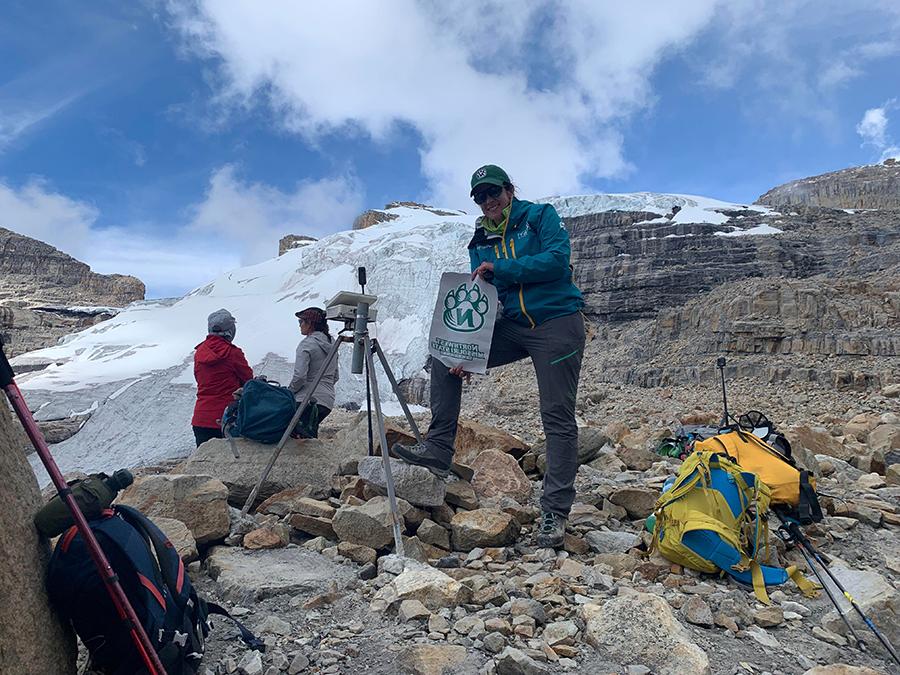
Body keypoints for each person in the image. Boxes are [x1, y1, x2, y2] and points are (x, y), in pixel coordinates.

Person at [394, 164, 586, 548]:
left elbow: (556, 261)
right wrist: (471, 349)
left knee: (556, 415)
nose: (488, 201)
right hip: (514, 326)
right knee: (444, 356)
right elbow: (482, 299)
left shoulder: (539, 217)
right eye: (480, 196)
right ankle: (438, 446)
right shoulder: (479, 238)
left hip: (557, 323)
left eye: (493, 192)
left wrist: (503, 267)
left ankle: (554, 513)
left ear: (509, 190)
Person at [191, 309, 253, 447]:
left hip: (201, 418)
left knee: (204, 464)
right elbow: (248, 381)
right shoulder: (233, 353)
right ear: (230, 330)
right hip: (226, 419)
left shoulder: (199, 353)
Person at [288, 307, 339, 437]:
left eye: (301, 322)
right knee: (310, 433)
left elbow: (300, 377)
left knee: (293, 436)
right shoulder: (333, 344)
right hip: (327, 401)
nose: (300, 326)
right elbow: (335, 376)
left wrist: (289, 392)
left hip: (305, 400)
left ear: (310, 323)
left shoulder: (306, 344)